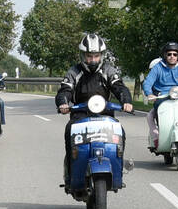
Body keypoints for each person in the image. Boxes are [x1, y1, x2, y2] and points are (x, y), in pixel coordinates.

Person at [56, 33, 134, 187]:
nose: (92, 60)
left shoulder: (108, 70)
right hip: (80, 116)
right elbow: (65, 89)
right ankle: (71, 173)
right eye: (89, 56)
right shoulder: (74, 72)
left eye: (96, 56)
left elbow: (119, 87)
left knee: (121, 132)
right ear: (82, 55)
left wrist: (126, 101)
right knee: (69, 131)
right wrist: (63, 103)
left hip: (105, 115)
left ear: (102, 55)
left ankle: (118, 170)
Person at [142, 41, 178, 150]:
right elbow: (148, 82)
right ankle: (156, 136)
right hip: (162, 98)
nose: (172, 57)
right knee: (152, 115)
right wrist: (149, 93)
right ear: (165, 55)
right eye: (169, 54)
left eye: (175, 54)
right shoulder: (158, 67)